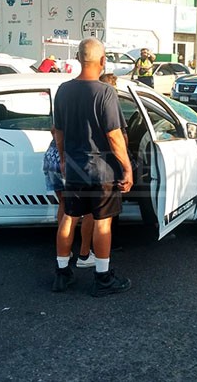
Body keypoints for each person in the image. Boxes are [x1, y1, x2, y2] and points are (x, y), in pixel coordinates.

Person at [52, 38, 133, 297]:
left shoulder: (63, 90)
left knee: (68, 218)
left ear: (78, 58)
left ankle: (62, 274)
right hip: (102, 170)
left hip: (74, 167)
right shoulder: (105, 92)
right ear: (103, 60)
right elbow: (114, 136)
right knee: (102, 223)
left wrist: (64, 159)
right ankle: (102, 278)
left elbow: (58, 131)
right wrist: (127, 168)